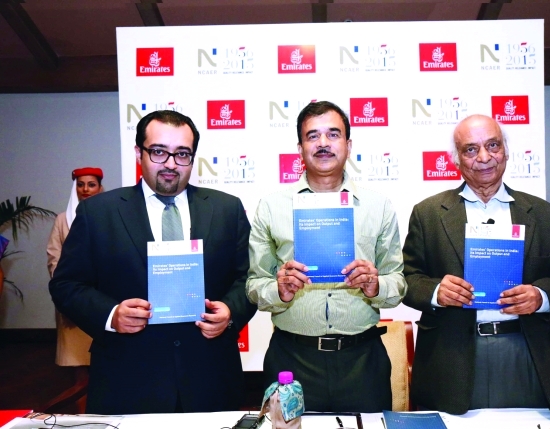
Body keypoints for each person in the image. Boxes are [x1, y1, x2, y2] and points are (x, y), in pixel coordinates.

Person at [49, 110, 256, 415]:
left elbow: (249, 278)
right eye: (159, 151)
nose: (171, 163)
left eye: (182, 154)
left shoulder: (227, 209)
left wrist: (230, 312)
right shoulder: (98, 212)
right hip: (127, 378)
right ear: (139, 153)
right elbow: (66, 285)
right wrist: (111, 314)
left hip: (210, 377)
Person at [402, 114, 550, 419]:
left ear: (506, 151)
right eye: (471, 149)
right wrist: (436, 291)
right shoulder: (428, 214)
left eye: (493, 145)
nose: (484, 157)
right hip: (452, 357)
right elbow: (407, 279)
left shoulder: (543, 213)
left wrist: (540, 296)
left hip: (526, 351)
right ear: (456, 160)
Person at [246, 101, 407, 412]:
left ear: (348, 145)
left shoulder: (378, 206)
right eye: (313, 136)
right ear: (300, 148)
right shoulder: (271, 206)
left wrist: (376, 286)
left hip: (362, 360)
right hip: (292, 360)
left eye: (333, 134)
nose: (323, 143)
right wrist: (279, 290)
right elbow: (254, 286)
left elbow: (397, 282)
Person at [46, 167, 104, 404]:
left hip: (103, 299)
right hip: (73, 300)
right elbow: (54, 257)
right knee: (78, 367)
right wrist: (69, 292)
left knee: (103, 365)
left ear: (100, 187)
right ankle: (81, 413)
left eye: (91, 184)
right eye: (81, 184)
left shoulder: (110, 215)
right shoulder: (63, 219)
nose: (85, 189)